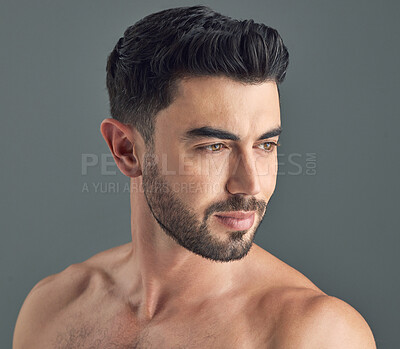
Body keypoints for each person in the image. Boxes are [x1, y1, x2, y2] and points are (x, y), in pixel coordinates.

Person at [13, 5, 376, 348]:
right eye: (214, 147)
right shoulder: (51, 309)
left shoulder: (315, 335)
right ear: (126, 149)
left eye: (266, 145)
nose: (250, 185)